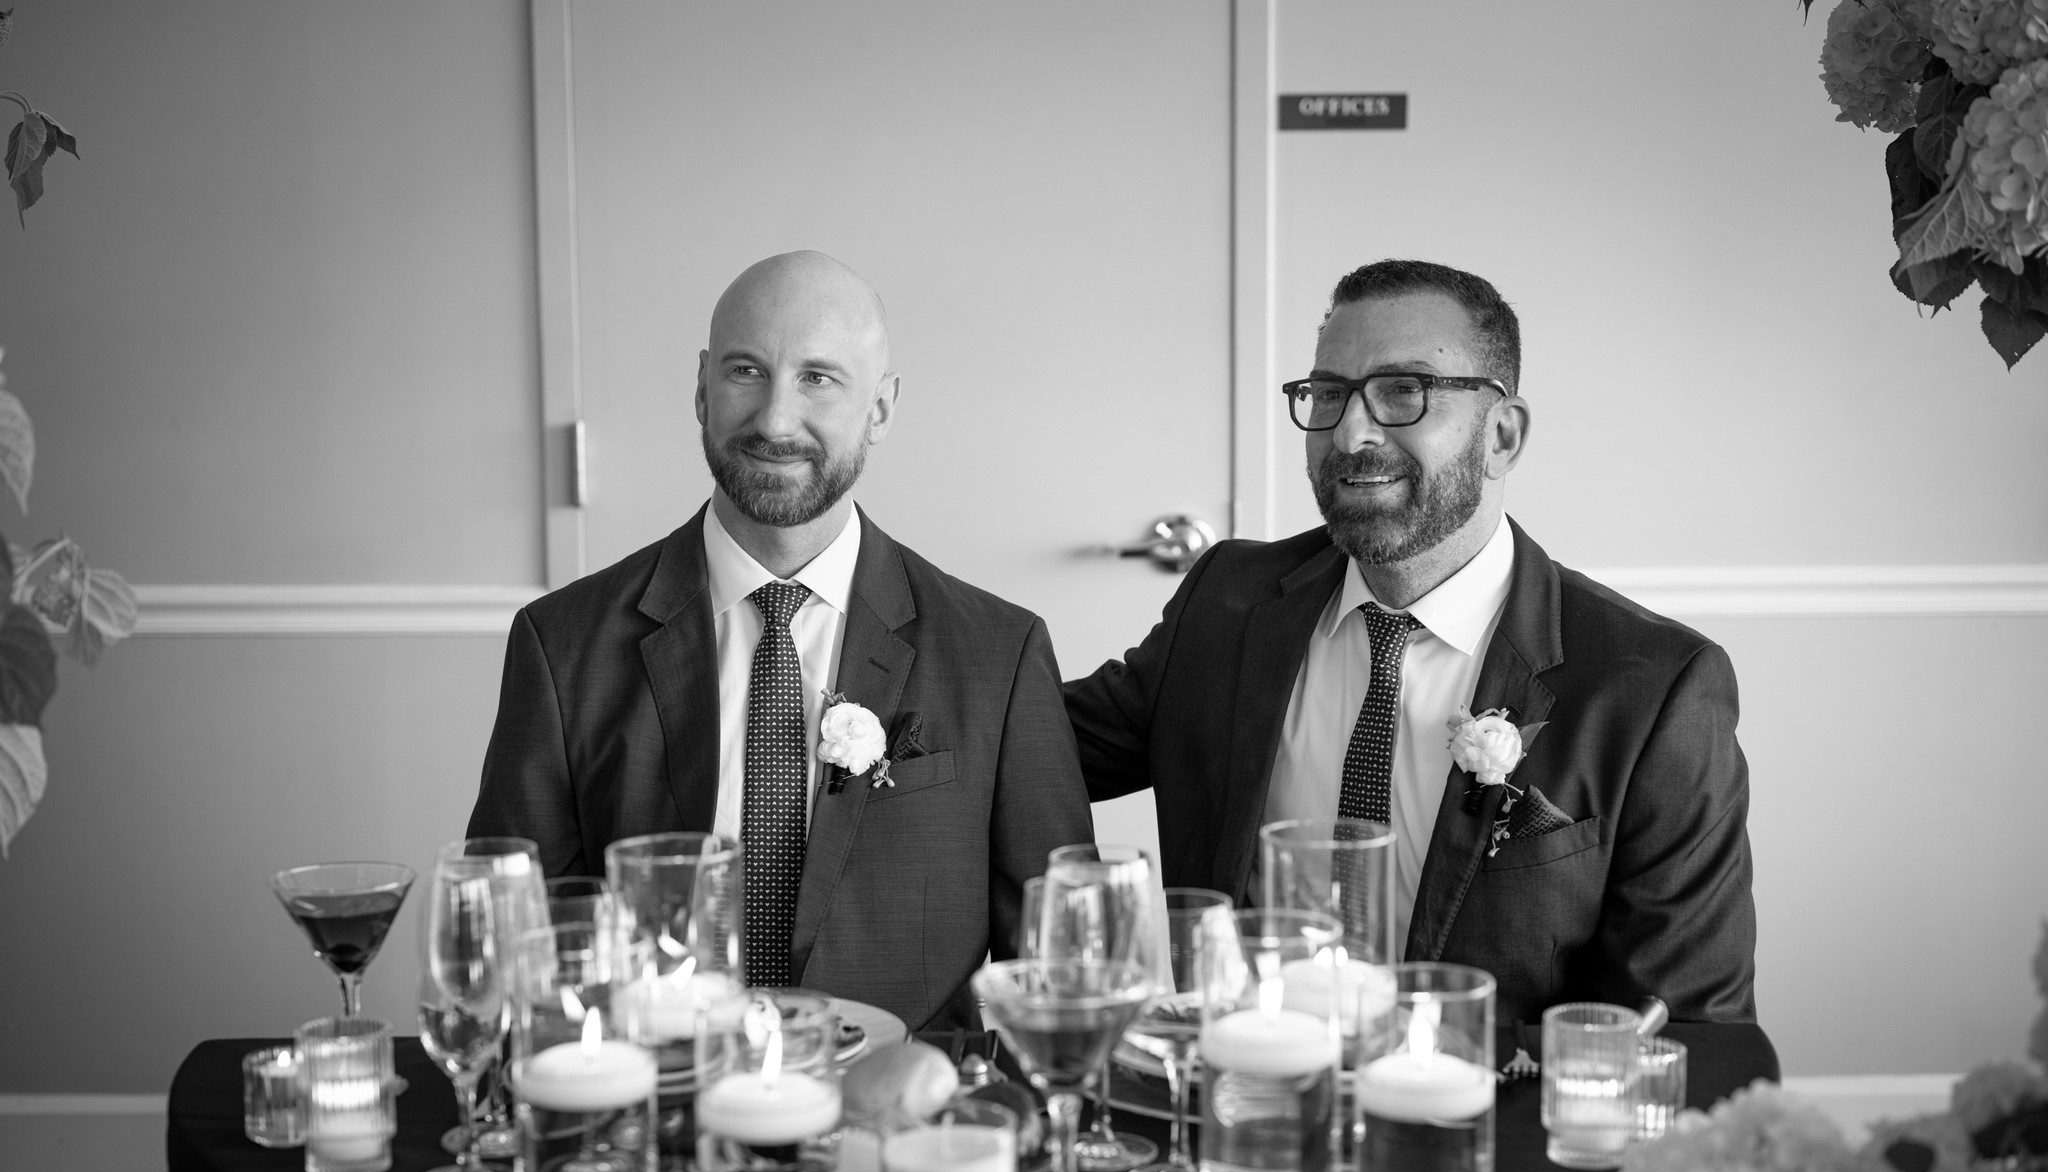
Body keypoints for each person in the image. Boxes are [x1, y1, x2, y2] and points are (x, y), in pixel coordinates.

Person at [1063, 259, 1759, 1034]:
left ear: (1502, 435)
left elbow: (1692, 1023)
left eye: (1403, 391)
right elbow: (1026, 741)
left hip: (1491, 1101)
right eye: (1328, 393)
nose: (1350, 432)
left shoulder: (1653, 687)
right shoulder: (1228, 603)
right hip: (1247, 1083)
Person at [468, 250, 1092, 1031]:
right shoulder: (562, 646)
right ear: (702, 386)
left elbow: (1066, 975)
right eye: (746, 371)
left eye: (818, 378)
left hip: (903, 1100)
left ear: (881, 408)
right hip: (663, 1094)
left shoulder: (999, 654)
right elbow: (512, 948)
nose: (774, 420)